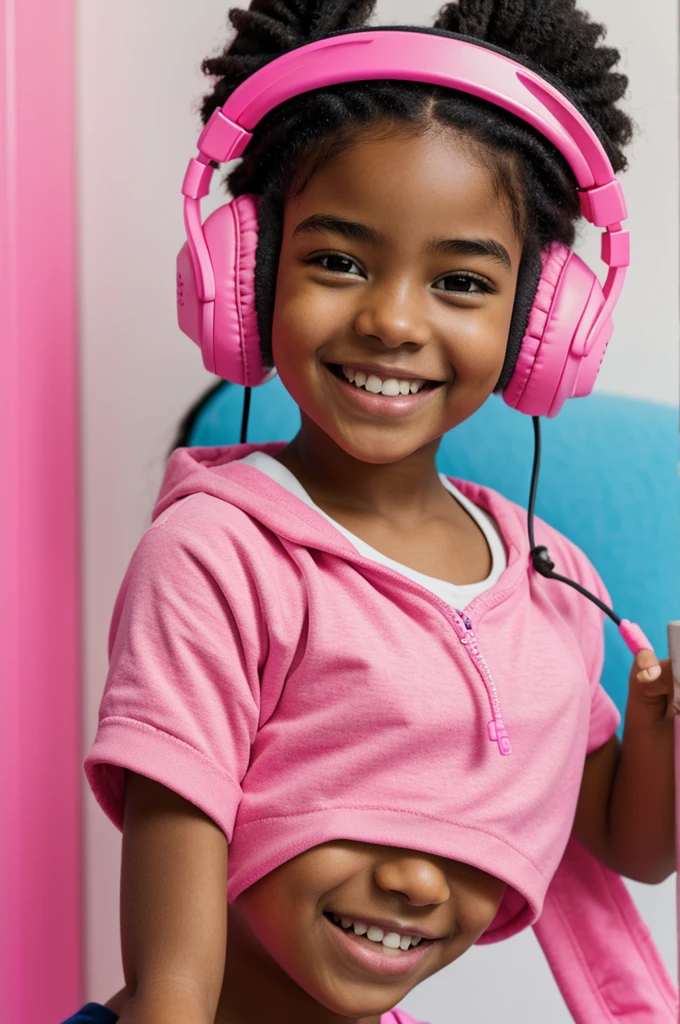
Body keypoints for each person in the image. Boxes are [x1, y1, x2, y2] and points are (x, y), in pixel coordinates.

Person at [65, 1, 677, 1022]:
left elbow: (627, 842)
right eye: (339, 261)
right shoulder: (217, 555)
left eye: (459, 281)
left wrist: (661, 738)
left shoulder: (544, 573)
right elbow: (171, 982)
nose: (392, 320)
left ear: (540, 324)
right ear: (246, 275)